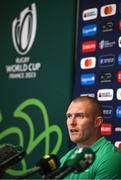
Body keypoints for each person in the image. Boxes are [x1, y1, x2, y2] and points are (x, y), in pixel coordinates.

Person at [60, 96, 121, 179]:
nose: (71, 122)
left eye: (80, 116)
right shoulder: (65, 159)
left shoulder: (110, 158)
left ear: (97, 122)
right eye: (69, 116)